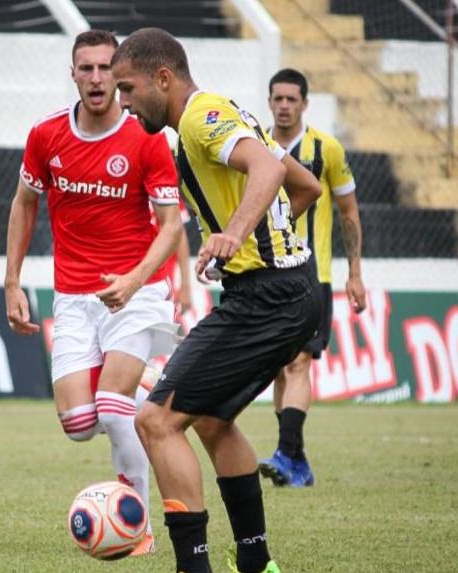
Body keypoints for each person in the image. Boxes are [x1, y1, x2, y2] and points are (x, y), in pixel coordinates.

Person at [112, 28, 323, 573]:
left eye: (129, 89)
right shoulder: (219, 115)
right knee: (208, 420)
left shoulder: (203, 118)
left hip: (268, 298)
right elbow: (306, 188)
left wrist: (234, 233)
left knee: (155, 420)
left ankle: (194, 567)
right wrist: (258, 238)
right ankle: (256, 562)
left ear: (163, 77)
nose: (124, 104)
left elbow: (273, 170)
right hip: (283, 291)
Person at [4, 29, 185, 556]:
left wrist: (133, 280)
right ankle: (147, 384)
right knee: (80, 425)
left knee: (111, 404)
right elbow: (23, 204)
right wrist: (12, 281)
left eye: (107, 68)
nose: (97, 78)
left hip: (139, 292)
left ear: (119, 73)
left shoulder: (146, 137)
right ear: (74, 74)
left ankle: (139, 526)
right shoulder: (46, 136)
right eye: (87, 68)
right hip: (75, 298)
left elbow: (172, 225)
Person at [259, 68, 367, 488]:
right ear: (269, 102)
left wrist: (354, 272)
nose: (284, 105)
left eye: (292, 98)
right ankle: (297, 459)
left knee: (300, 361)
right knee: (280, 368)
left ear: (304, 103)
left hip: (313, 274)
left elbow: (348, 212)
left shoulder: (328, 150)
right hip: (267, 276)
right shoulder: (255, 146)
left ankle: (286, 454)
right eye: (278, 98)